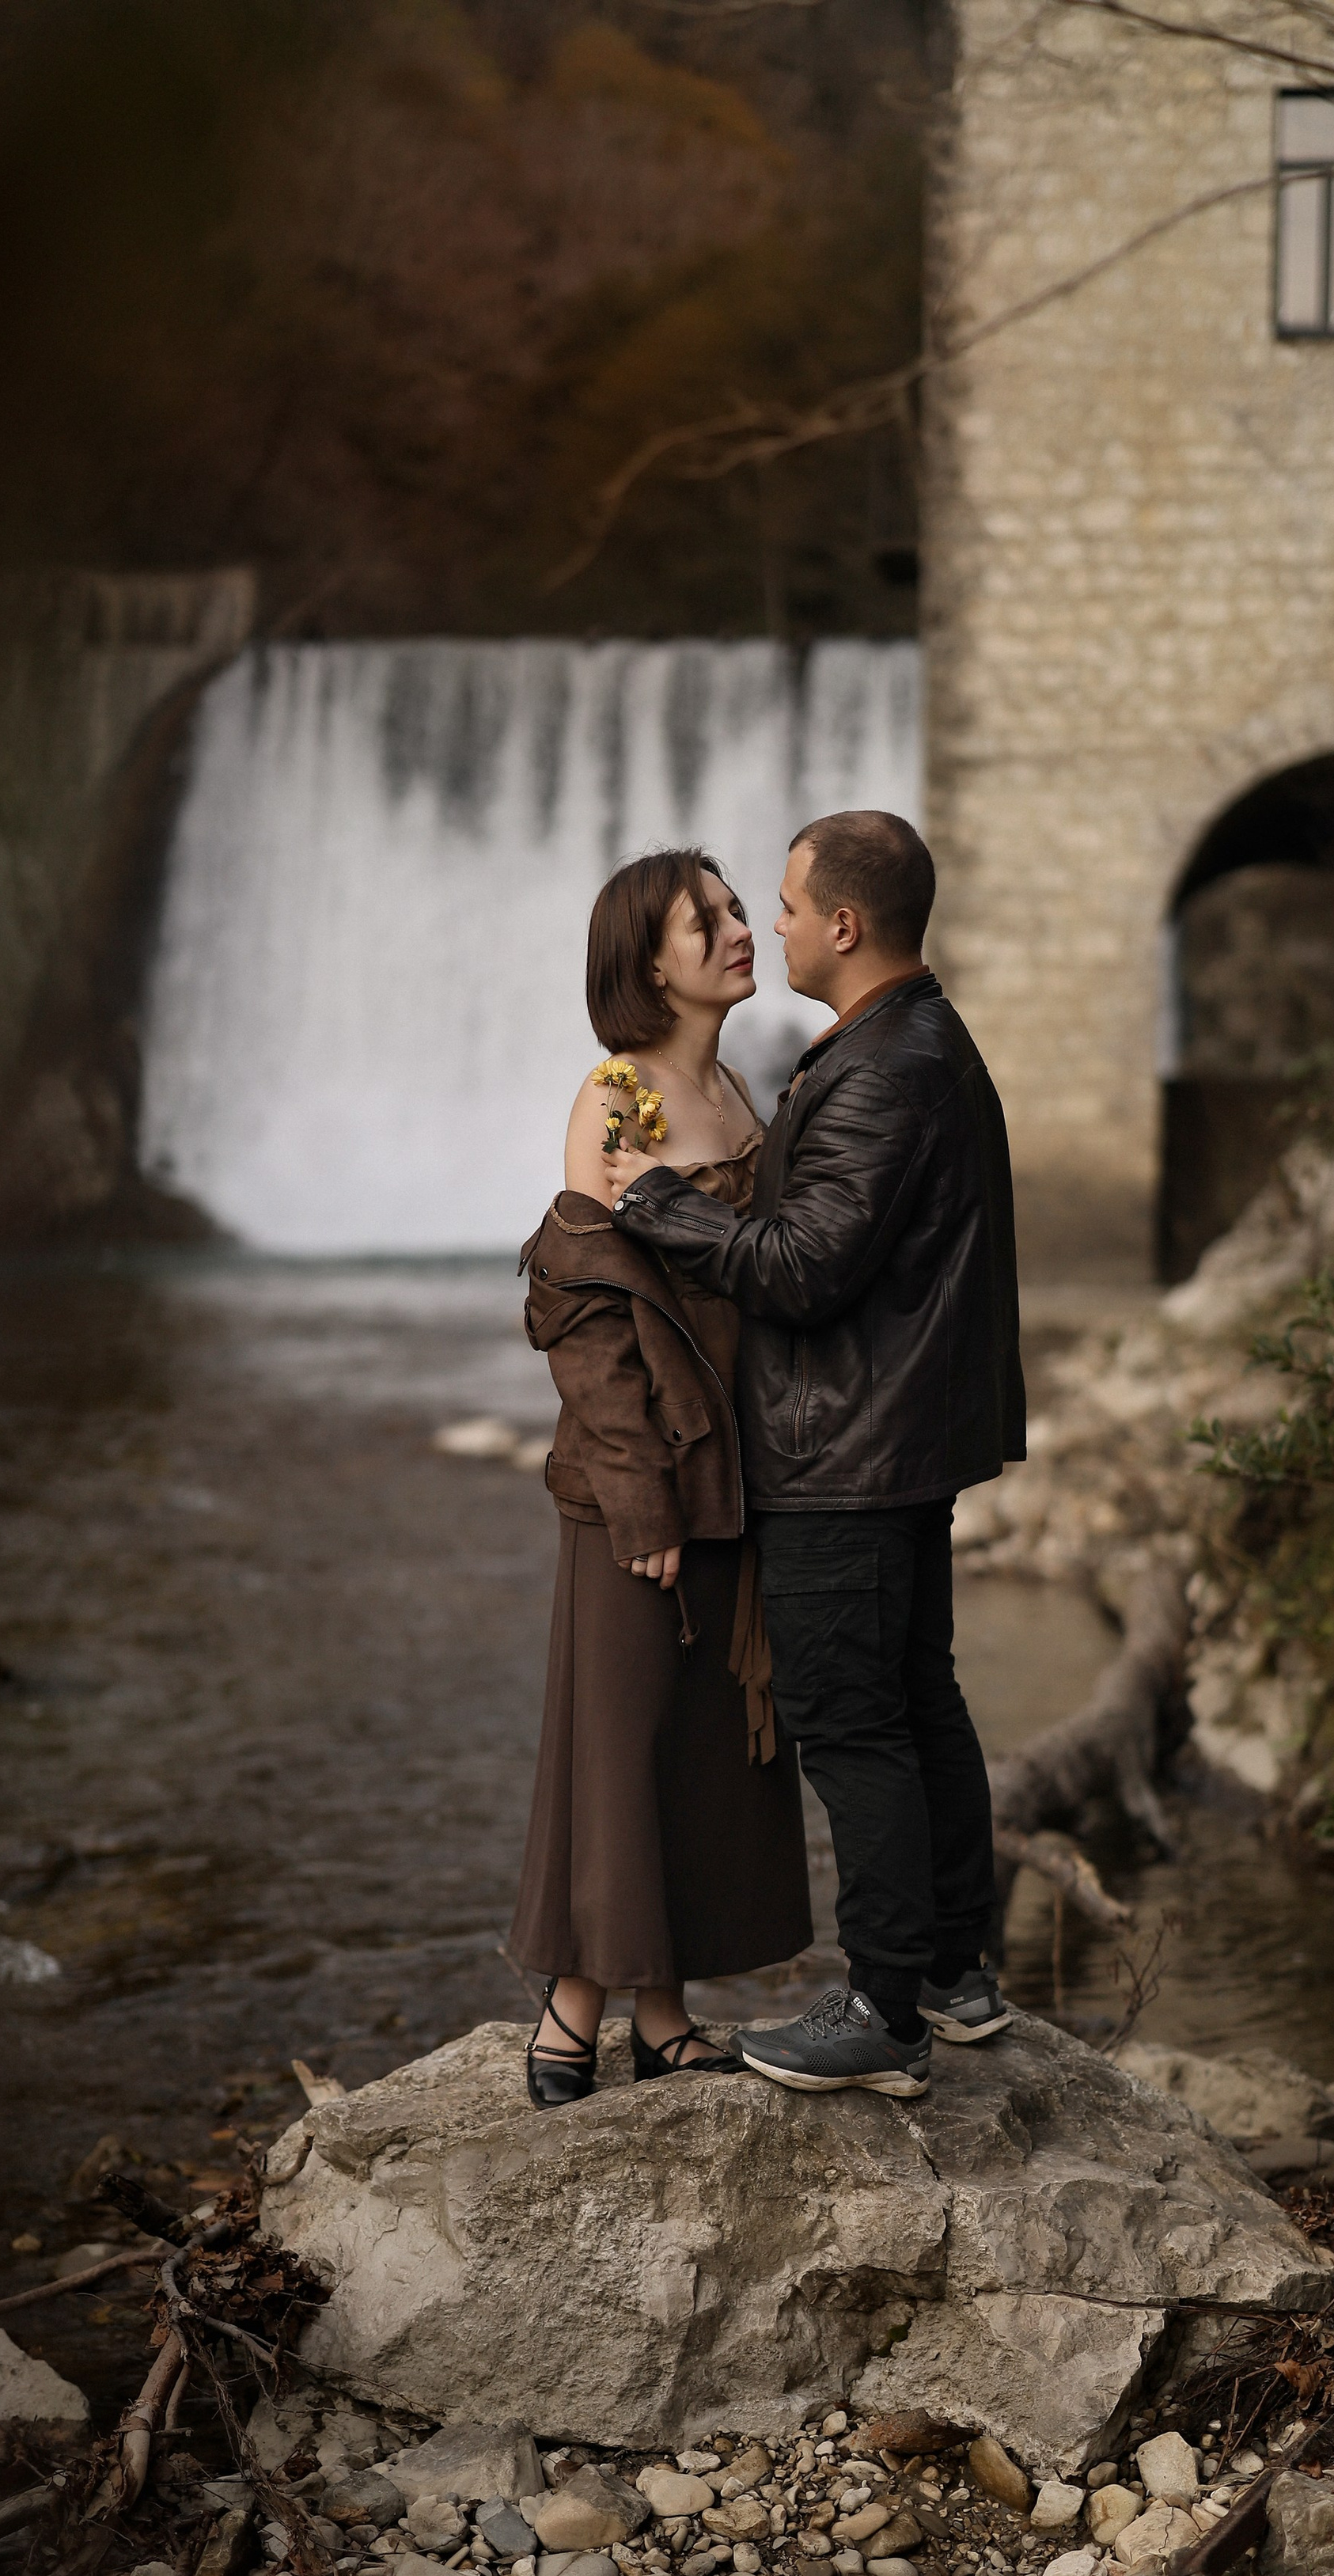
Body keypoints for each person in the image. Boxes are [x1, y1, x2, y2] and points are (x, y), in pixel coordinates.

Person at [598, 809, 1024, 2101]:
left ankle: (883, 2009)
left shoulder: (888, 1066)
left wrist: (655, 1202)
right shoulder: (907, 1042)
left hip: (848, 1456)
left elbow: (803, 1268)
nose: (768, 926)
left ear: (844, 926)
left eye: (782, 906)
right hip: (893, 1439)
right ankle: (953, 1976)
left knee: (854, 1728)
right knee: (920, 1703)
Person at [506, 846, 813, 2107]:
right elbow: (584, 1318)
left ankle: (665, 2013)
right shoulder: (615, 1099)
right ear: (648, 962)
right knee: (620, 1735)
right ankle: (571, 2012)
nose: (742, 931)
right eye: (711, 921)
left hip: (734, 1474)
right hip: (639, 1483)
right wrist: (639, 1496)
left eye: (742, 910)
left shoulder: (738, 1090)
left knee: (697, 1737)